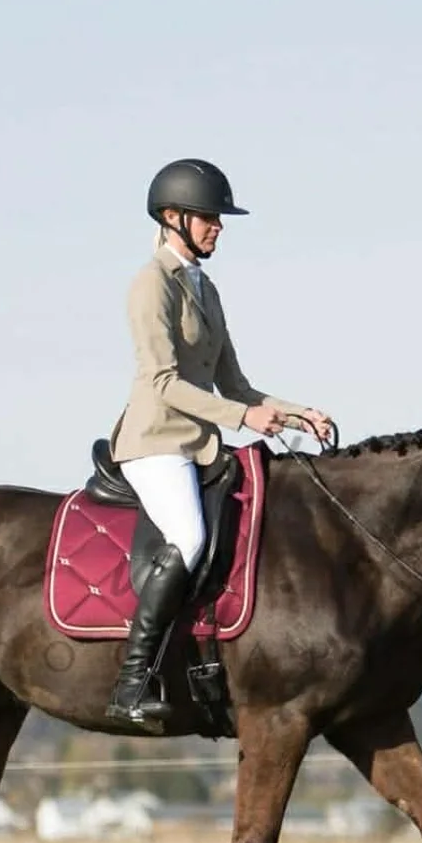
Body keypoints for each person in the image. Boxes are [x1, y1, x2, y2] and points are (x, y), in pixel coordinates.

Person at [105, 157, 334, 724]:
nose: (218, 227)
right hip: (155, 441)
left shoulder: (204, 287)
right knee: (187, 536)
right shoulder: (149, 285)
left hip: (199, 442)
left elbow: (235, 384)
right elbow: (163, 382)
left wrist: (295, 412)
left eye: (217, 218)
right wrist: (242, 418)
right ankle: (133, 681)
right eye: (208, 217)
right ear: (172, 216)